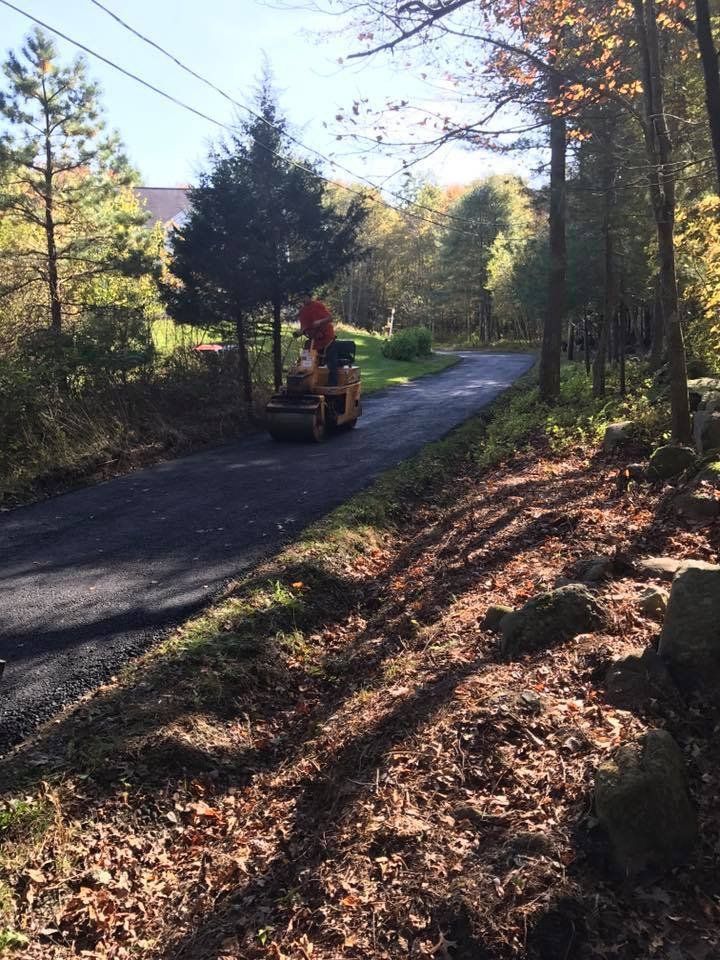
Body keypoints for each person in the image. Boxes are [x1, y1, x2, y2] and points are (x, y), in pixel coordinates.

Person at [295, 292, 339, 386]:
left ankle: (332, 385)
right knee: (305, 360)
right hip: (313, 341)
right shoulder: (302, 311)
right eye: (301, 298)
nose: (303, 299)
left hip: (327, 339)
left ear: (309, 297)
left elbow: (330, 318)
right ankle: (305, 382)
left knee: (332, 363)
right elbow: (305, 327)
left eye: (305, 297)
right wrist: (300, 332)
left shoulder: (318, 306)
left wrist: (320, 321)